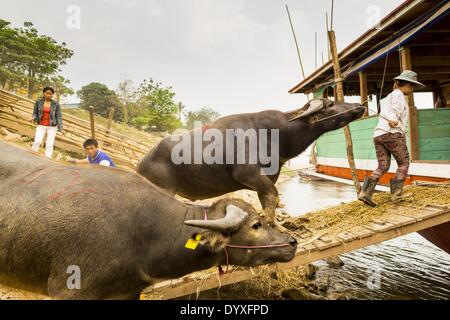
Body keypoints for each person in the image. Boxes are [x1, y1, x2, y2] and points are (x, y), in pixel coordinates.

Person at [358, 70, 425, 207]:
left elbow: (388, 111)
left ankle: (365, 193)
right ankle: (397, 196)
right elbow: (395, 111)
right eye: (411, 86)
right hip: (392, 134)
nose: (412, 90)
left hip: (379, 135)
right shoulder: (399, 95)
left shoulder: (387, 97)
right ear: (406, 84)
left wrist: (391, 119)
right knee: (403, 164)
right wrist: (393, 120)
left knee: (383, 166)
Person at [30, 87, 63, 158]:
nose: (48, 95)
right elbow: (35, 113)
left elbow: (59, 116)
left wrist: (61, 129)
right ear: (44, 93)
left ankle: (47, 159)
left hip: (52, 126)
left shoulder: (56, 104)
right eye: (47, 93)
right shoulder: (38, 102)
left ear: (52, 95)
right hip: (41, 125)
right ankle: (32, 155)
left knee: (49, 144)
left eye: (50, 94)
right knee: (37, 141)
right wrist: (33, 117)